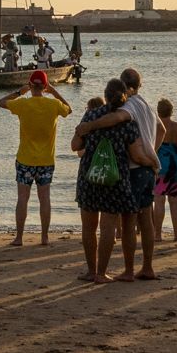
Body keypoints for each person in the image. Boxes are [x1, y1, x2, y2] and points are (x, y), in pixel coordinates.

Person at [70, 80, 140, 281]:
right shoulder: (128, 122)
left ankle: (91, 271)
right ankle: (102, 272)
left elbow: (75, 145)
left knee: (88, 227)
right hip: (115, 177)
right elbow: (135, 153)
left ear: (105, 95)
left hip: (89, 176)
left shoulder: (91, 115)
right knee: (108, 225)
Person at [0, 71, 70, 247]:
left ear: (30, 86)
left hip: (25, 159)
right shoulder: (53, 105)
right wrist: (53, 92)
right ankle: (44, 237)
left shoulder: (23, 103)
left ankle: (19, 237)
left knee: (23, 198)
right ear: (45, 87)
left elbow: (0, 102)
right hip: (46, 160)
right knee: (44, 198)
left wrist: (19, 92)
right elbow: (69, 109)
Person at [118, 68, 163, 282]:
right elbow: (161, 129)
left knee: (129, 221)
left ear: (124, 85)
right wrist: (151, 149)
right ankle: (147, 266)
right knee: (146, 219)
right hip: (148, 168)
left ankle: (128, 269)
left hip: (134, 168)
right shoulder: (147, 105)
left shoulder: (129, 106)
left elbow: (123, 117)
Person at [154, 98, 177, 242]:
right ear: (172, 111)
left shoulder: (156, 127)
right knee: (174, 202)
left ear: (158, 111)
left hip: (161, 167)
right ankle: (176, 234)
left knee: (159, 200)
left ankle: (158, 234)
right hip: (176, 166)